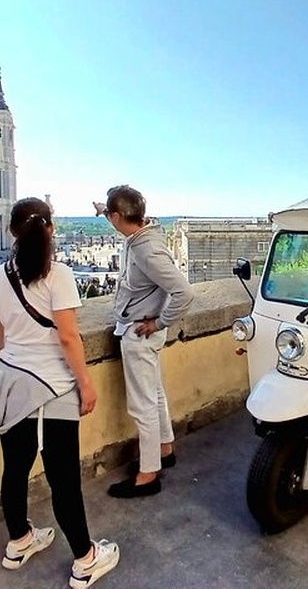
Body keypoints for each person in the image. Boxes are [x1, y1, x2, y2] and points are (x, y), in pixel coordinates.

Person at [0, 198, 119, 588]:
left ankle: (19, 541)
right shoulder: (60, 274)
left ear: (12, 232)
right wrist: (86, 383)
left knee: (15, 469)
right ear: (51, 229)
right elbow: (68, 337)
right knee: (63, 478)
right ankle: (86, 559)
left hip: (12, 383)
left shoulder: (0, 275)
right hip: (52, 388)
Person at [95, 185, 194, 498]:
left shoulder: (146, 250)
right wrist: (104, 209)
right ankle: (165, 449)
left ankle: (148, 474)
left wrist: (160, 322)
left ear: (118, 217)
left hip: (141, 331)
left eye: (110, 214)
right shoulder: (145, 230)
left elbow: (184, 293)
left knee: (143, 406)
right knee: (155, 394)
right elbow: (119, 213)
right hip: (144, 329)